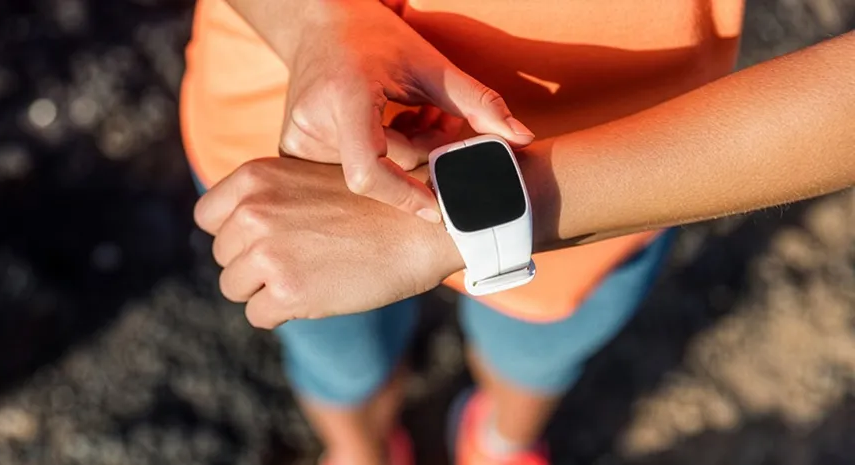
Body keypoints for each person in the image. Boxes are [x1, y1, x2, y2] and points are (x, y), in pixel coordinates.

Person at [184, 1, 854, 464]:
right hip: (287, 130)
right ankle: (361, 448)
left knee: (536, 355)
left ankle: (501, 439)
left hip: (615, 170)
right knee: (337, 357)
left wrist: (457, 226)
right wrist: (309, 19)